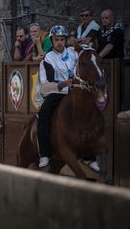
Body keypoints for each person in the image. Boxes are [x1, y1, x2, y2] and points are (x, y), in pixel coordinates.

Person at [36, 25, 100, 171]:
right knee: (43, 115)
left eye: (62, 39)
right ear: (51, 41)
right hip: (57, 95)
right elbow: (47, 85)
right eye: (57, 39)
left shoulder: (73, 52)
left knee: (92, 114)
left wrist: (83, 44)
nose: (60, 42)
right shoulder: (47, 59)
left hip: (77, 93)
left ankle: (89, 157)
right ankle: (45, 154)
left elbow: (88, 52)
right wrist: (65, 84)